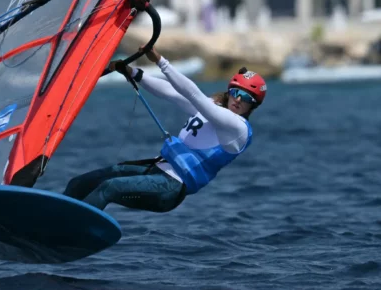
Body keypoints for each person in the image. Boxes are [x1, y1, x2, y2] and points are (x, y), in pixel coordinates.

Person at [63, 46, 267, 212]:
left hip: (170, 188)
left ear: (253, 105)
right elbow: (173, 93)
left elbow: (193, 94)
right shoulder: (212, 109)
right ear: (229, 91)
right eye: (235, 92)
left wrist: (161, 62)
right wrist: (134, 73)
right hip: (157, 169)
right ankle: (53, 214)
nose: (239, 99)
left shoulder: (238, 129)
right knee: (81, 182)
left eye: (247, 97)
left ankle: (71, 230)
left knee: (110, 187)